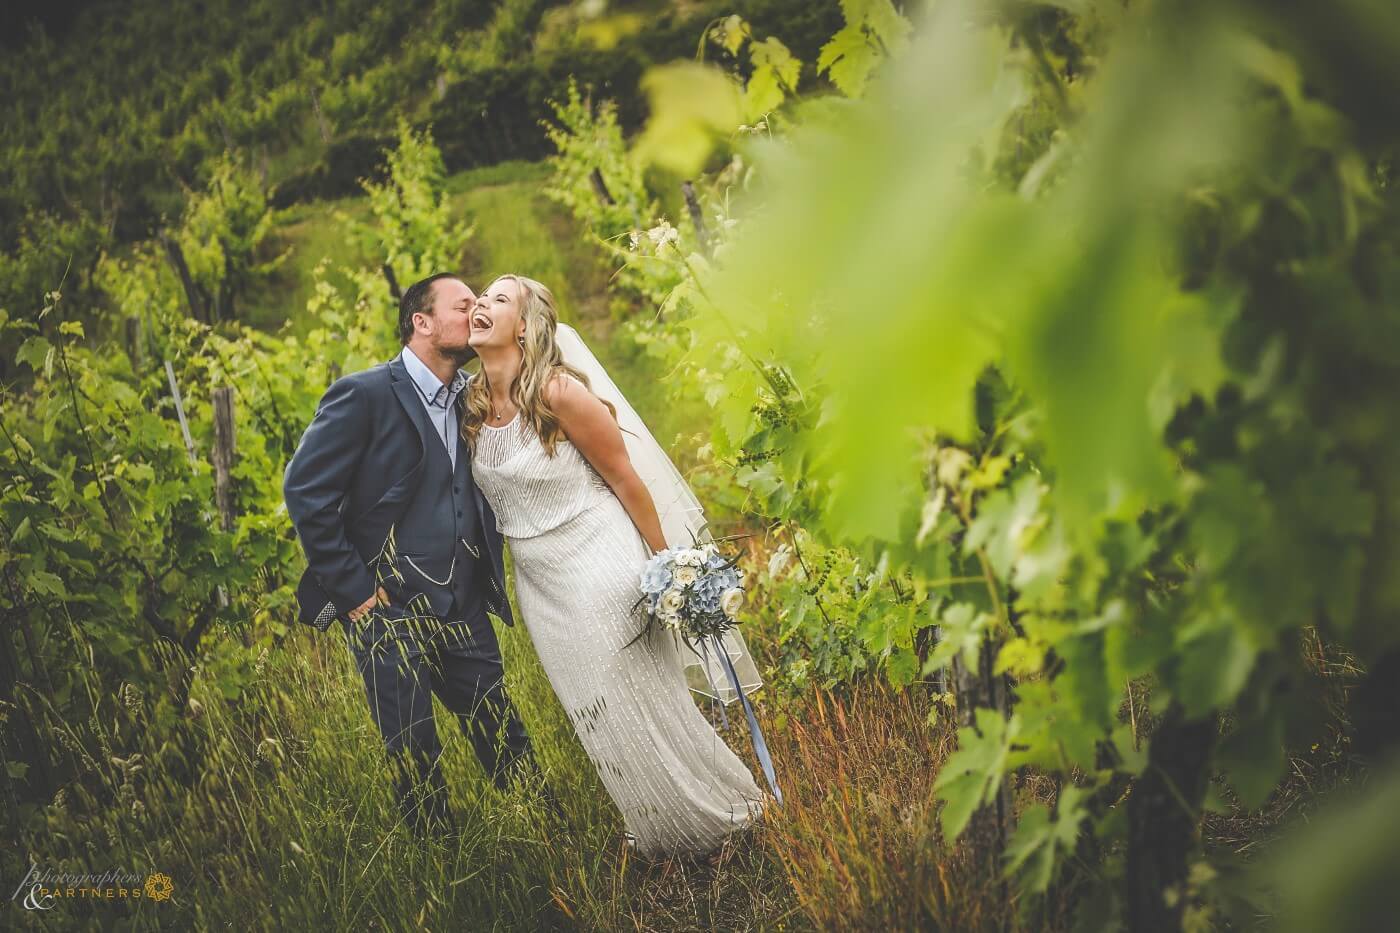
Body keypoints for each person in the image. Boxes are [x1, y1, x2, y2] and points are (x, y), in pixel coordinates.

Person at [465, 273, 765, 855]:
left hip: (598, 564)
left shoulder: (558, 393)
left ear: (524, 328)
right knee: (592, 709)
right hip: (539, 583)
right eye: (480, 296)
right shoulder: (475, 405)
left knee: (638, 697)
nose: (481, 303)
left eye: (498, 299)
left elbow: (627, 480)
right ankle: (656, 823)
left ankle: (717, 816)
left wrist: (668, 572)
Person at [283, 273, 546, 837]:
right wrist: (355, 594)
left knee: (503, 732)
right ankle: (439, 867)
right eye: (462, 306)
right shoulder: (366, 394)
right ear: (420, 323)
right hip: (386, 608)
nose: (475, 312)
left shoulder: (475, 395)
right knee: (412, 750)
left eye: (480, 304)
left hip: (461, 602)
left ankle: (552, 839)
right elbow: (305, 491)